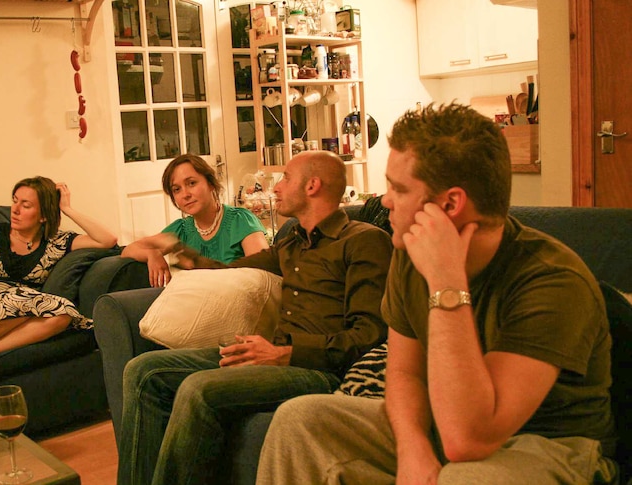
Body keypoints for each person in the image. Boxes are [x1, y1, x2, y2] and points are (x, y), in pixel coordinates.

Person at [257, 103, 616, 484]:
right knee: (301, 420)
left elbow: (468, 439)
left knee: (464, 479)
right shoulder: (409, 254)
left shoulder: (552, 280)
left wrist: (447, 283)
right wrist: (413, 449)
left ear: (449, 204)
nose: (384, 201)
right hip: (443, 423)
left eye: (398, 188)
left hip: (550, 446)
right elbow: (404, 373)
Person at [117, 150, 393, 485]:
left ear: (312, 185)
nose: (276, 187)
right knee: (143, 370)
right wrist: (180, 252)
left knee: (198, 389)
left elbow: (369, 334)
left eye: (286, 178)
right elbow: (231, 271)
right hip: (273, 355)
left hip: (320, 370)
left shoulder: (364, 241)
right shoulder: (292, 241)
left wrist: (285, 353)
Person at [0, 176, 118, 366]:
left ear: (43, 215)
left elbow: (107, 240)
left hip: (21, 310)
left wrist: (67, 209)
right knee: (31, 300)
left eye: (26, 205)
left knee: (63, 315)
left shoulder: (56, 242)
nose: (15, 210)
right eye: (14, 201)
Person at [121, 154, 269, 287]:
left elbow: (263, 275)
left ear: (210, 183)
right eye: (176, 189)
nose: (185, 194)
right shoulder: (181, 229)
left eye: (191, 183)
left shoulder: (240, 220)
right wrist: (152, 254)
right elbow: (128, 250)